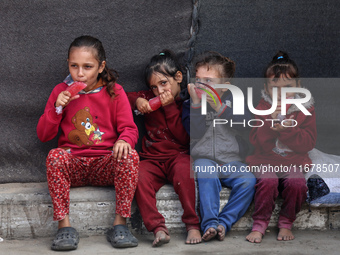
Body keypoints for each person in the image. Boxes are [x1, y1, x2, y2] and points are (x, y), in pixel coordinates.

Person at [37, 35, 139, 251]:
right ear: (68, 64)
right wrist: (57, 108)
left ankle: (120, 224)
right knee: (55, 156)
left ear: (101, 66)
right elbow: (44, 135)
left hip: (104, 164)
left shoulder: (115, 91)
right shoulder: (60, 91)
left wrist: (124, 140)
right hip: (73, 164)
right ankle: (64, 227)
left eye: (87, 66)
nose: (80, 73)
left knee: (130, 155)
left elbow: (129, 128)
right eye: (74, 66)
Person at [127, 50, 201, 247]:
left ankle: (192, 224)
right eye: (153, 87)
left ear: (178, 78)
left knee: (186, 172)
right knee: (138, 176)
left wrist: (168, 107)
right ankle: (157, 228)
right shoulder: (148, 96)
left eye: (163, 83)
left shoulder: (185, 102)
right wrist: (138, 101)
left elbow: (183, 136)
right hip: (152, 159)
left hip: (179, 156)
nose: (159, 92)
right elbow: (123, 97)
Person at [182, 51, 256, 242]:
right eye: (198, 80)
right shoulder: (191, 104)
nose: (202, 85)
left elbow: (247, 124)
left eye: (209, 80)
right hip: (204, 158)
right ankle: (210, 224)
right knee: (207, 174)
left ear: (224, 87)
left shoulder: (235, 102)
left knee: (248, 180)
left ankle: (224, 222)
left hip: (232, 160)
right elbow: (194, 133)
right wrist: (197, 105)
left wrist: (220, 109)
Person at [245, 51, 317, 243]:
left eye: (288, 87)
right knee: (267, 181)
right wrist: (270, 125)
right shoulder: (262, 108)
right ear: (266, 89)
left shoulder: (305, 109)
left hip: (293, 161)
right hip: (266, 160)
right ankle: (259, 224)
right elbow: (256, 141)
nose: (282, 93)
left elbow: (308, 143)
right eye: (275, 88)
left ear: (299, 86)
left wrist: (287, 130)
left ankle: (286, 222)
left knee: (297, 184)